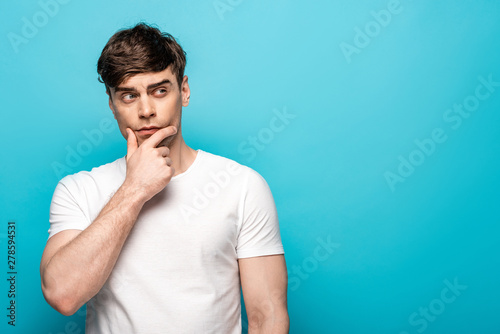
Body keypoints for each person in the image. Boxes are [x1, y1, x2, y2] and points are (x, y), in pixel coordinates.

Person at [40, 23, 289, 333]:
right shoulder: (78, 190)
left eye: (160, 91)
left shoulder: (242, 186)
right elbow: (63, 295)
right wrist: (134, 189)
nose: (146, 110)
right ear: (111, 103)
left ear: (183, 91)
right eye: (129, 96)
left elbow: (268, 317)